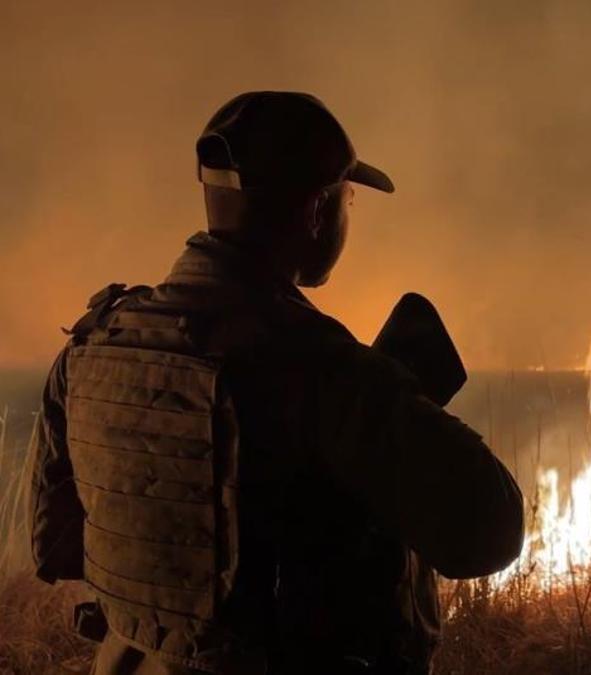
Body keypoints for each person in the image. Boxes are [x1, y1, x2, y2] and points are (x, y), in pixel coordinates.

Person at [27, 91, 525, 674]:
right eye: (347, 200)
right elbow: (489, 532)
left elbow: (56, 544)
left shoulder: (92, 344)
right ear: (317, 210)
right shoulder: (319, 366)